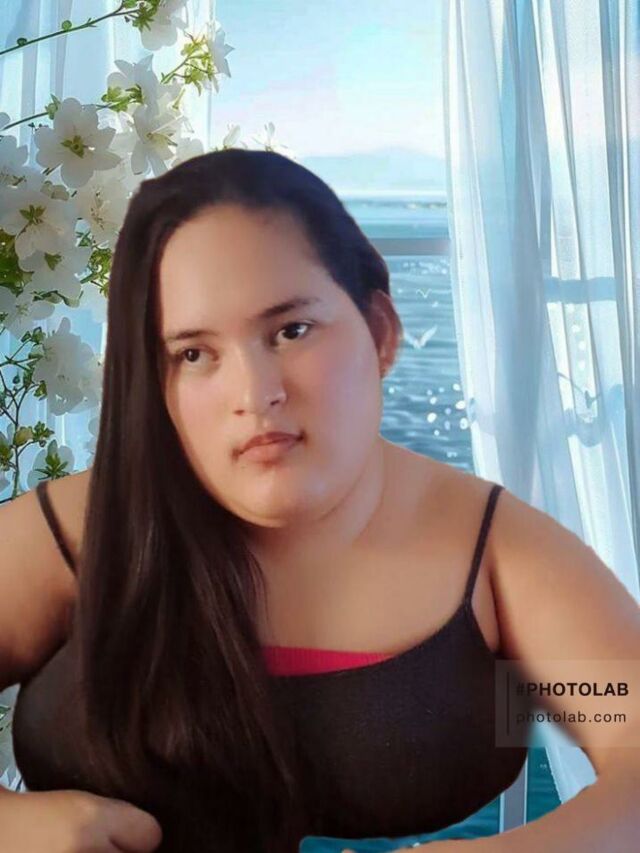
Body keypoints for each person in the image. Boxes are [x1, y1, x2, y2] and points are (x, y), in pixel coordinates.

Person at [1, 149, 638, 853]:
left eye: (291, 331)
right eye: (194, 354)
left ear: (381, 332)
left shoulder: (497, 556)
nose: (256, 394)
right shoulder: (72, 534)